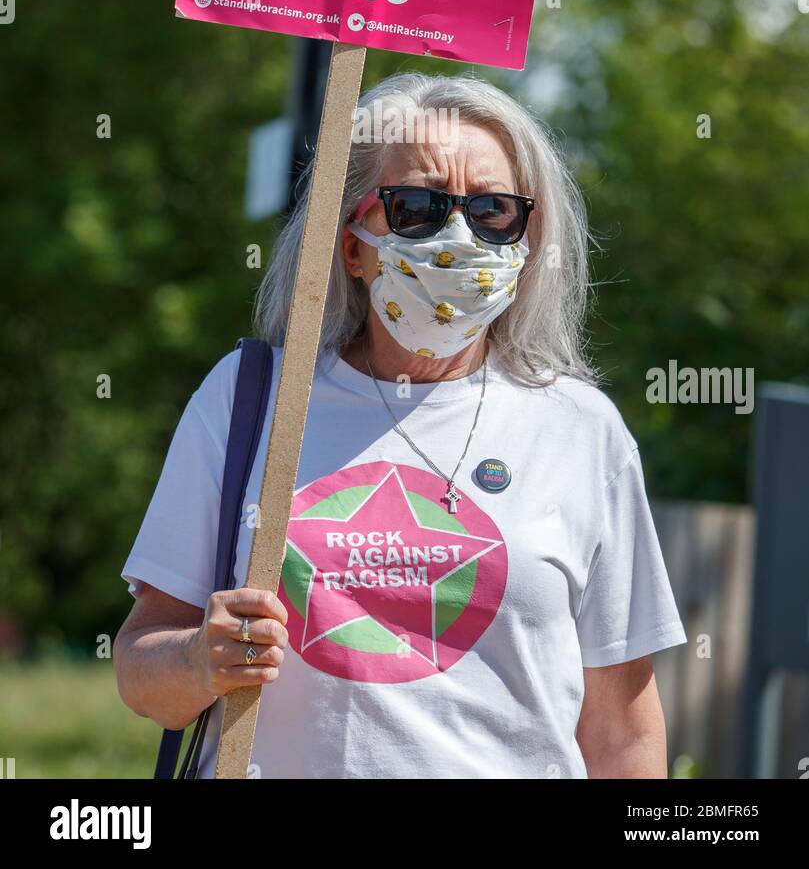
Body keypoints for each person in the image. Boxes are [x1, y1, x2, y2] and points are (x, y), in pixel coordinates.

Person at [113, 70, 687, 779]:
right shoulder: (250, 398)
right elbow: (141, 671)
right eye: (415, 207)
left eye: (492, 211)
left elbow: (622, 732)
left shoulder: (579, 428)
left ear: (525, 238)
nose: (459, 236)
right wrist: (199, 659)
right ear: (350, 244)